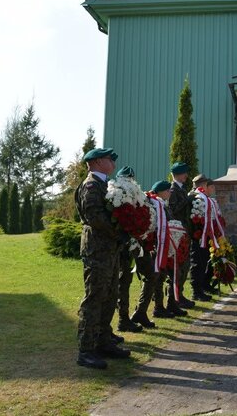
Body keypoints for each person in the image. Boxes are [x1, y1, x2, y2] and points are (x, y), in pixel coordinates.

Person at [75, 147, 131, 370]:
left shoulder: (105, 184)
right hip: (97, 250)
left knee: (110, 296)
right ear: (97, 162)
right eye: (110, 159)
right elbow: (95, 217)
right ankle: (86, 350)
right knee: (95, 297)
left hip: (110, 249)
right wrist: (121, 231)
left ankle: (103, 341)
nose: (114, 164)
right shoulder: (91, 186)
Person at [134, 180, 172, 324]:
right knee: (153, 276)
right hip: (151, 247)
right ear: (160, 191)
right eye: (167, 190)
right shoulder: (153, 203)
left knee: (159, 276)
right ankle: (141, 311)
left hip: (159, 246)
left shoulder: (161, 204)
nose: (169, 193)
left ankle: (157, 307)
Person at [114, 166, 144, 333]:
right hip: (119, 246)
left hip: (130, 245)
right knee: (120, 285)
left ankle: (124, 319)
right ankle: (121, 319)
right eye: (127, 178)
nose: (130, 181)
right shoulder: (117, 193)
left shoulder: (134, 194)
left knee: (126, 282)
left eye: (131, 178)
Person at [167, 162, 194, 312]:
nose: (186, 176)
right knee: (178, 268)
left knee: (184, 267)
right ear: (177, 174)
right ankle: (174, 299)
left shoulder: (181, 189)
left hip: (185, 232)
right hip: (177, 233)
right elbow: (173, 210)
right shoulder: (173, 190)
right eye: (184, 173)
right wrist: (186, 200)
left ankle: (179, 295)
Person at [188, 174, 215, 302]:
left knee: (202, 262)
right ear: (202, 185)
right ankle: (196, 291)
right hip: (196, 236)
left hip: (203, 235)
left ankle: (201, 288)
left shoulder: (202, 197)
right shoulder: (194, 196)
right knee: (197, 263)